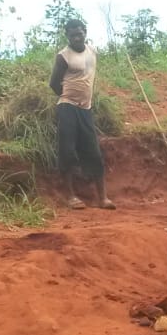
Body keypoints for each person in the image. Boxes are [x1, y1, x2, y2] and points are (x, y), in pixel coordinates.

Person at [50, 19, 115, 210]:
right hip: (67, 107)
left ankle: (102, 198)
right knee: (67, 151)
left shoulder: (92, 51)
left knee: (93, 152)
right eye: (72, 35)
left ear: (85, 32)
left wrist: (83, 100)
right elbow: (54, 84)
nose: (77, 38)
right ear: (67, 36)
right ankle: (70, 196)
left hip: (86, 109)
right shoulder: (63, 56)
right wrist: (69, 97)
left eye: (79, 34)